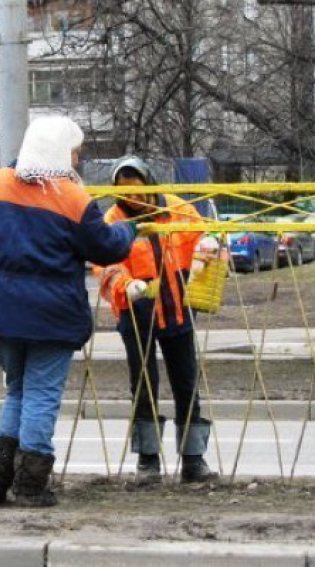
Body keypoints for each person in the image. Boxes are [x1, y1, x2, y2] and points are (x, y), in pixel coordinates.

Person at [0, 116, 137, 507]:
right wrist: (130, 230)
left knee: (18, 390)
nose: (76, 159)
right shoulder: (73, 198)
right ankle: (30, 484)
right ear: (60, 152)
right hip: (50, 319)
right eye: (74, 151)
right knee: (40, 394)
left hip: (0, 317)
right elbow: (106, 247)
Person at [93, 156, 219, 485]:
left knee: (186, 383)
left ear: (148, 184)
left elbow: (201, 241)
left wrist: (209, 248)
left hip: (178, 309)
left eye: (136, 189)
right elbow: (104, 265)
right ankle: (148, 461)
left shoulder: (178, 209)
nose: (131, 198)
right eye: (124, 192)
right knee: (143, 386)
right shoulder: (111, 220)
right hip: (137, 314)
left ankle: (194, 459)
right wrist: (124, 284)